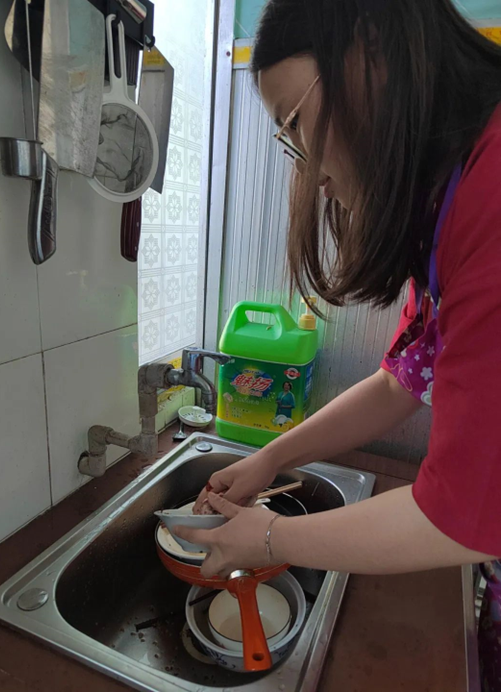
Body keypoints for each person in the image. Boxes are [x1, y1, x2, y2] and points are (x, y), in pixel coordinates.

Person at [174, 1, 501, 687]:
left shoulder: (492, 197)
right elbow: (400, 380)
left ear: (369, 54)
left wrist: (269, 536)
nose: (309, 171)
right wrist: (270, 458)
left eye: (294, 123)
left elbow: (457, 516)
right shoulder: (449, 199)